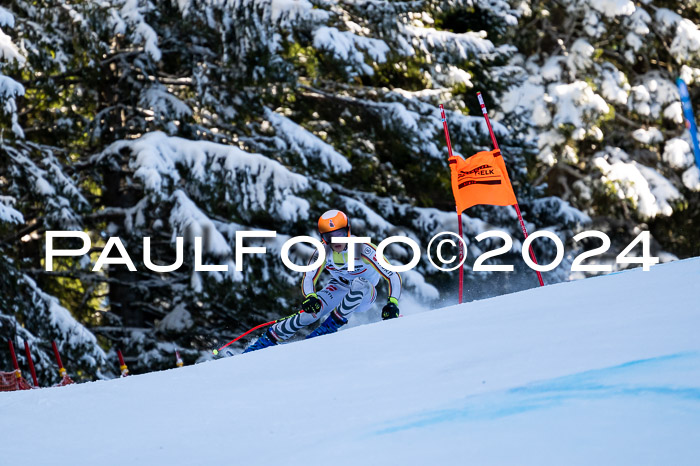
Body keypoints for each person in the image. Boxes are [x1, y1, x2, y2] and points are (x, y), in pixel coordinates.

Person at [243, 209, 401, 353]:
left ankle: (329, 326)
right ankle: (261, 344)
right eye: (329, 236)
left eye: (339, 234)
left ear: (348, 231)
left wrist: (392, 302)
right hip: (339, 288)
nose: (335, 241)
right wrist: (311, 297)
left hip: (365, 295)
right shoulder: (323, 251)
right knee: (309, 314)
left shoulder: (363, 248)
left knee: (360, 282)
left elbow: (392, 275)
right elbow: (309, 277)